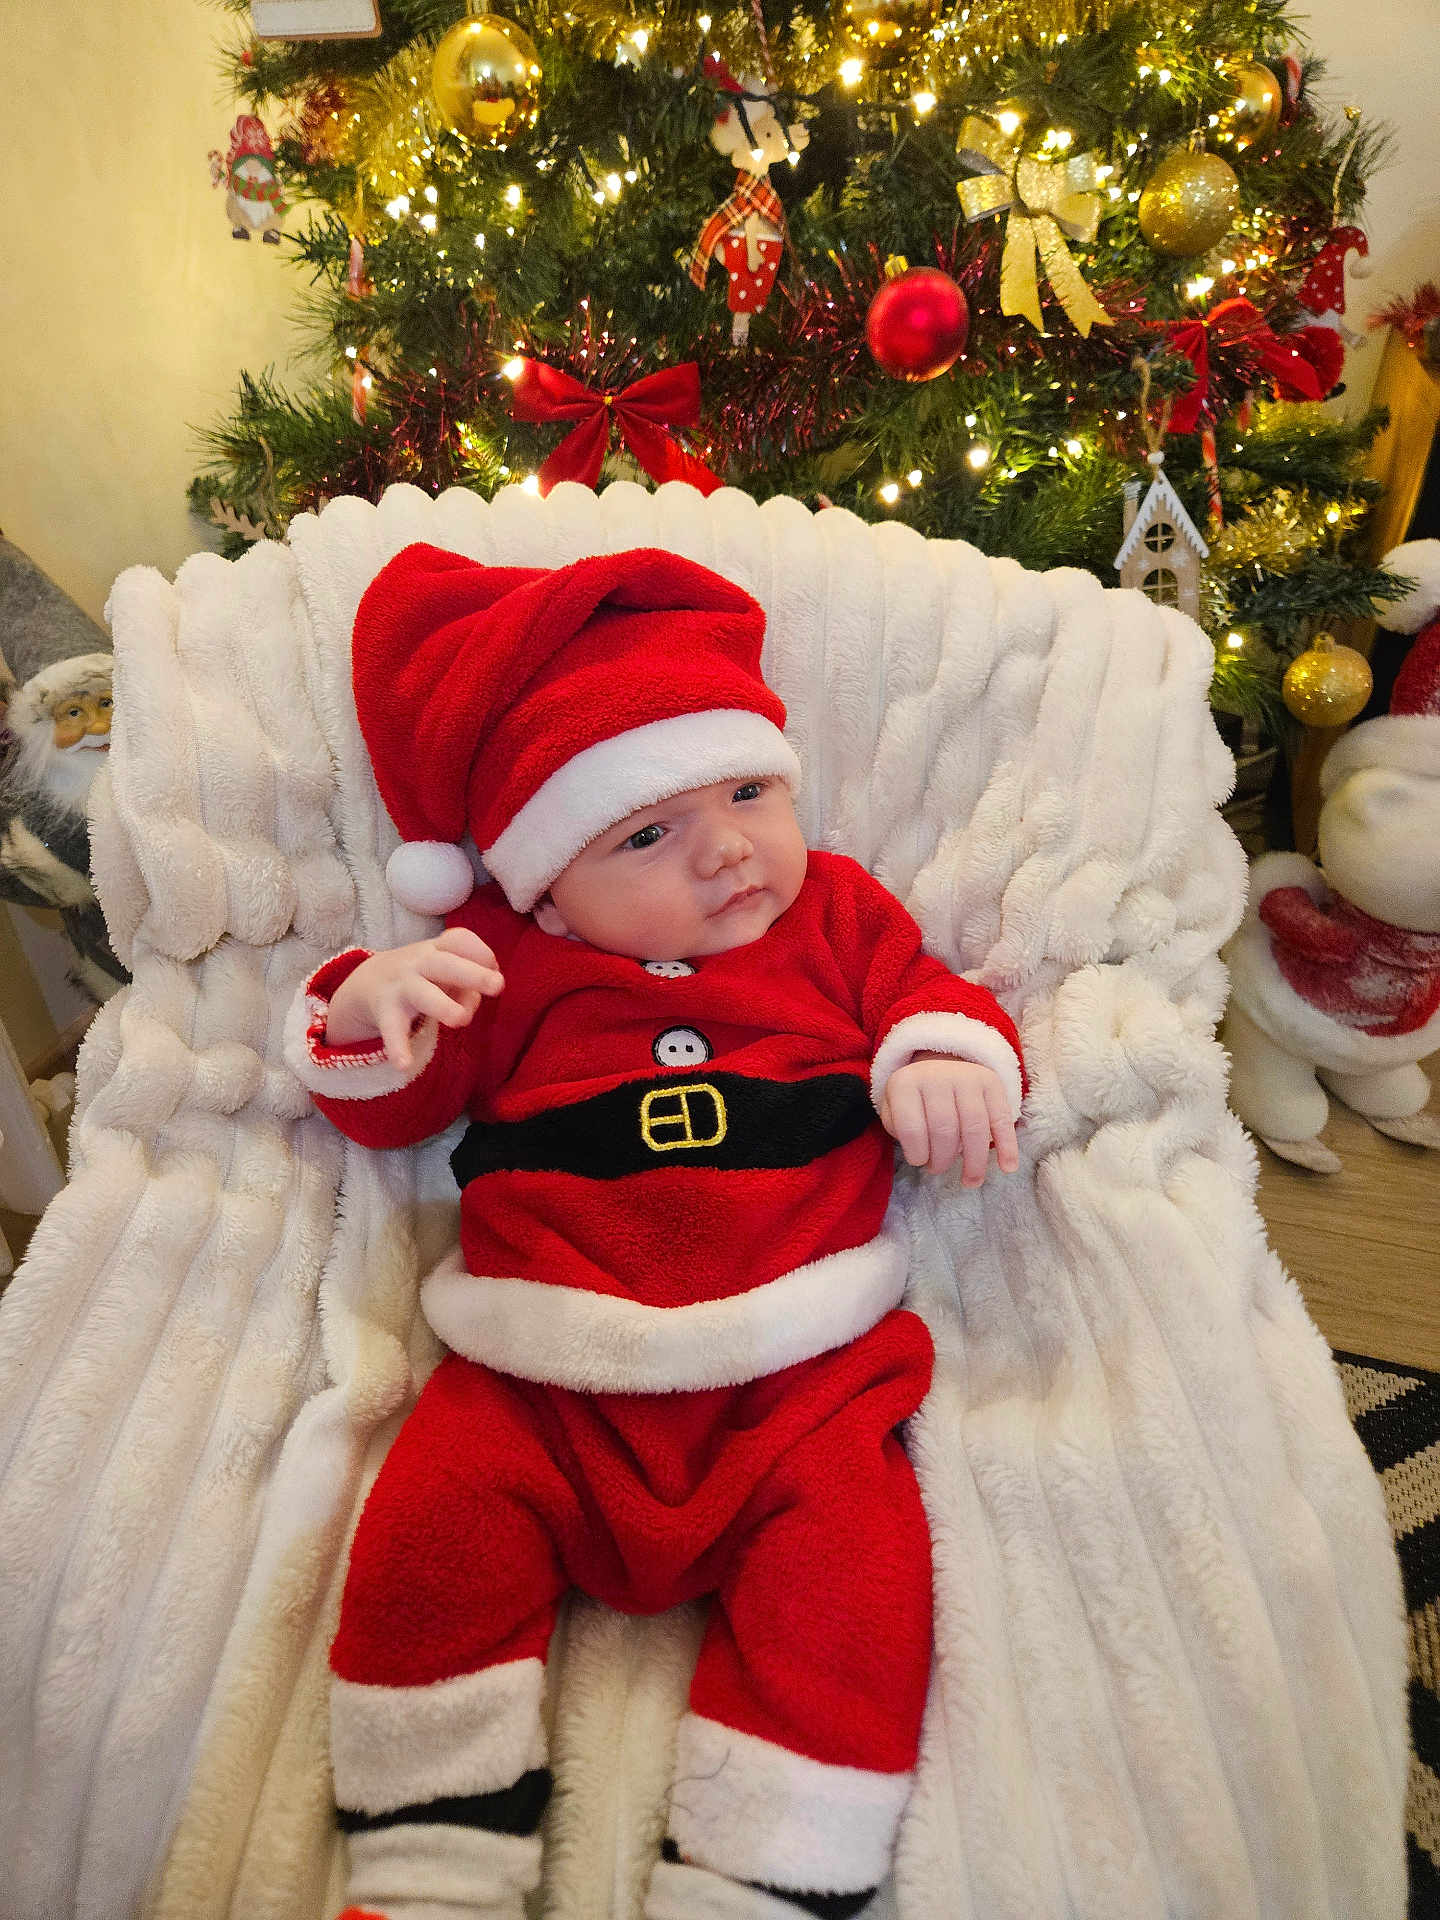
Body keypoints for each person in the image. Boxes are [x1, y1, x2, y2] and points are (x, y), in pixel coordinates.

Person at [284, 542, 1025, 1920]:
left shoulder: (835, 913)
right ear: (542, 881)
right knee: (431, 1536)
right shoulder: (503, 961)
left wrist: (941, 1058)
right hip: (542, 1378)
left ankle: (766, 1873)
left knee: (855, 1579)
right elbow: (392, 1111)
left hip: (802, 1378)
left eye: (747, 793)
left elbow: (930, 992)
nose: (728, 847)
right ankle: (431, 1857)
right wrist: (371, 1007)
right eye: (647, 834)